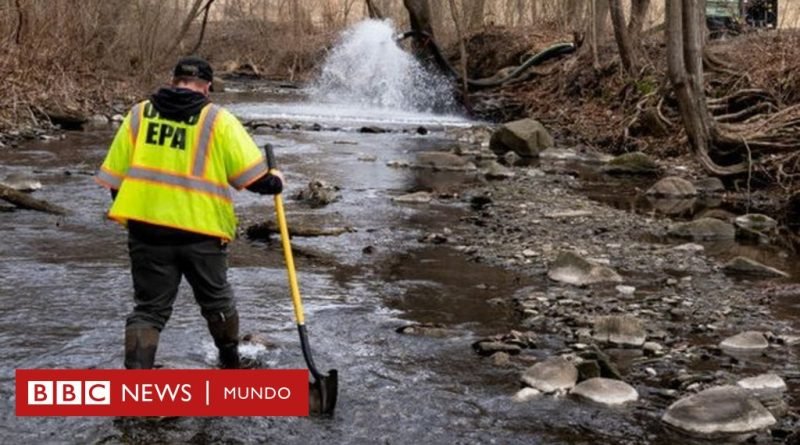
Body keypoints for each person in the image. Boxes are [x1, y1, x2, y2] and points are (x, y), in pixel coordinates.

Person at [95, 56, 284, 369]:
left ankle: (135, 385)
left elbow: (115, 181)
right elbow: (253, 180)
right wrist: (276, 181)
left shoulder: (139, 115)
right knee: (217, 301)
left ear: (173, 82)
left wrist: (136, 219)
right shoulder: (218, 120)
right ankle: (229, 362)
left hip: (147, 231)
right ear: (207, 87)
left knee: (149, 310)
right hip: (202, 232)